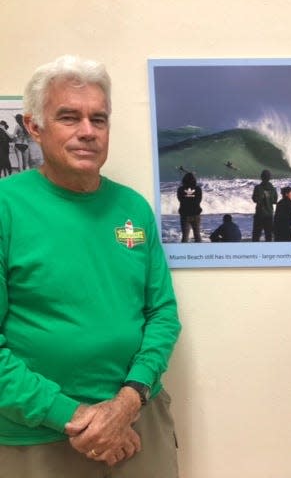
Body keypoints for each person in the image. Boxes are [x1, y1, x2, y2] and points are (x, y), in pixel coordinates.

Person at [0, 55, 181, 477]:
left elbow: (162, 314)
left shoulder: (132, 207)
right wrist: (76, 416)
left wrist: (128, 401)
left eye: (98, 119)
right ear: (34, 126)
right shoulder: (6, 207)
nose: (87, 131)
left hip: (138, 421)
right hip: (36, 436)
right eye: (69, 117)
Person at [251, 169, 277, 242]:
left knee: (256, 236)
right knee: (268, 236)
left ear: (262, 177)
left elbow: (254, 199)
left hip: (259, 214)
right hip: (269, 215)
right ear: (269, 178)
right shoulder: (273, 189)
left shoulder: (257, 188)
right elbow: (275, 201)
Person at [177, 171, 203, 242]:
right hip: (196, 213)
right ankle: (200, 252)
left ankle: (183, 252)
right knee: (197, 235)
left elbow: (180, 199)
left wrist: (187, 199)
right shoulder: (198, 189)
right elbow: (199, 200)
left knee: (185, 237)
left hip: (185, 214)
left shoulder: (180, 189)